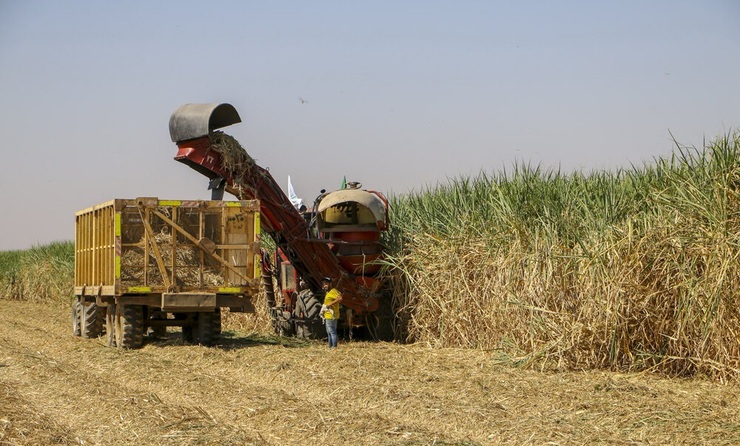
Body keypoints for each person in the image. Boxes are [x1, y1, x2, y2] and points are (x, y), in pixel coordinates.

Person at [320, 277, 343, 348]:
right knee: (329, 332)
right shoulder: (328, 292)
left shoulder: (333, 291)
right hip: (327, 315)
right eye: (323, 284)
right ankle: (330, 346)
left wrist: (330, 304)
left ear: (330, 284)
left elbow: (340, 298)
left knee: (332, 331)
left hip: (331, 315)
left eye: (326, 284)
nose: (324, 286)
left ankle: (334, 347)